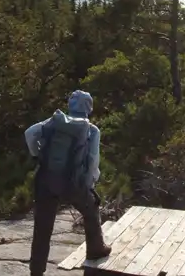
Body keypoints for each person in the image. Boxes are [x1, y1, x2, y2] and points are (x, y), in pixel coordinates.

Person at [25, 90, 112, 276]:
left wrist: (36, 154)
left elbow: (29, 133)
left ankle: (36, 271)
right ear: (89, 108)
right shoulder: (91, 129)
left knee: (42, 230)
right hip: (74, 183)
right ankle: (96, 249)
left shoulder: (54, 121)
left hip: (46, 180)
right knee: (91, 209)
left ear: (71, 105)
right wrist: (89, 184)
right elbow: (93, 161)